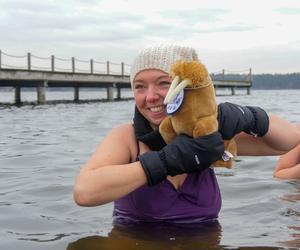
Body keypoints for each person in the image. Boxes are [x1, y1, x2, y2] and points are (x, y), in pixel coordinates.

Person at [73, 44, 300, 223]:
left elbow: (288, 141)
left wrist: (251, 117)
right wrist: (165, 161)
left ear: (189, 88)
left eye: (163, 83)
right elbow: (84, 192)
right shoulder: (127, 138)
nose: (150, 96)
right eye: (140, 86)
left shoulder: (208, 136)